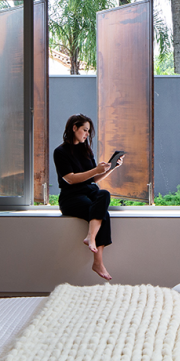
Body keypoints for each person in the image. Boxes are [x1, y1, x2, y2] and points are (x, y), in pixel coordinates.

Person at [53, 114, 124, 280]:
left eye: (88, 131)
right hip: (71, 196)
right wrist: (95, 170)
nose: (86, 134)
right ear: (74, 128)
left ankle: (90, 237)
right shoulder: (60, 152)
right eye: (84, 130)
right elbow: (70, 179)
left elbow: (93, 178)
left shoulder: (86, 150)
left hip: (89, 190)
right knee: (103, 214)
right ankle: (97, 261)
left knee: (104, 193)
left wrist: (111, 168)